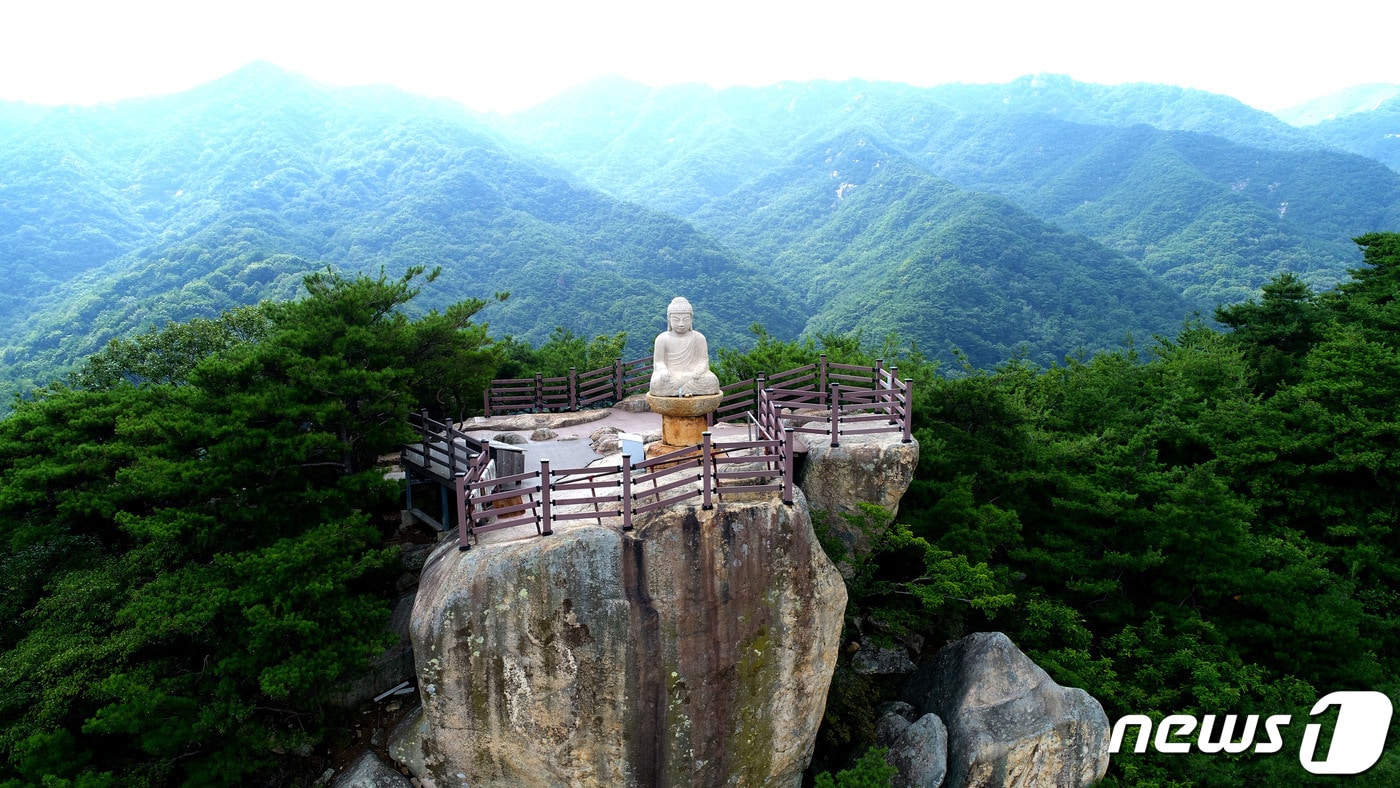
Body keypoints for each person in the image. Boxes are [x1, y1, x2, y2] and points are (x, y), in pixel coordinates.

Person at [649, 296, 720, 397]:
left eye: (685, 320)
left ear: (691, 319)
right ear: (669, 320)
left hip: (692, 375)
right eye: (676, 320)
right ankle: (683, 389)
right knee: (657, 383)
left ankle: (681, 390)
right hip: (671, 376)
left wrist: (699, 370)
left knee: (712, 381)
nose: (681, 324)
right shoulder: (662, 338)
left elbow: (703, 361)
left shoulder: (699, 338)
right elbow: (659, 362)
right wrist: (663, 370)